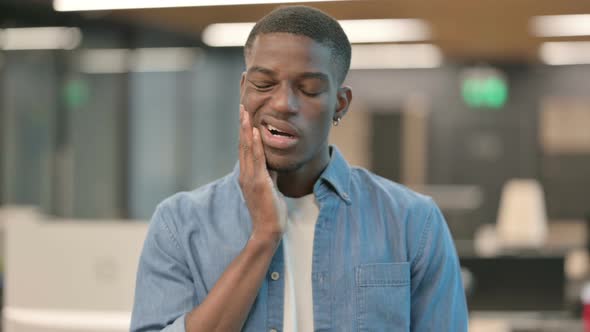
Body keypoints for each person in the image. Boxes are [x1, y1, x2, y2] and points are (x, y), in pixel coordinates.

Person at [131, 5, 468, 332]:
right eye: (264, 84)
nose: (282, 104)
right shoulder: (180, 224)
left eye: (308, 89)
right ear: (243, 89)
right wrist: (264, 236)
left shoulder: (412, 222)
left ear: (340, 103)